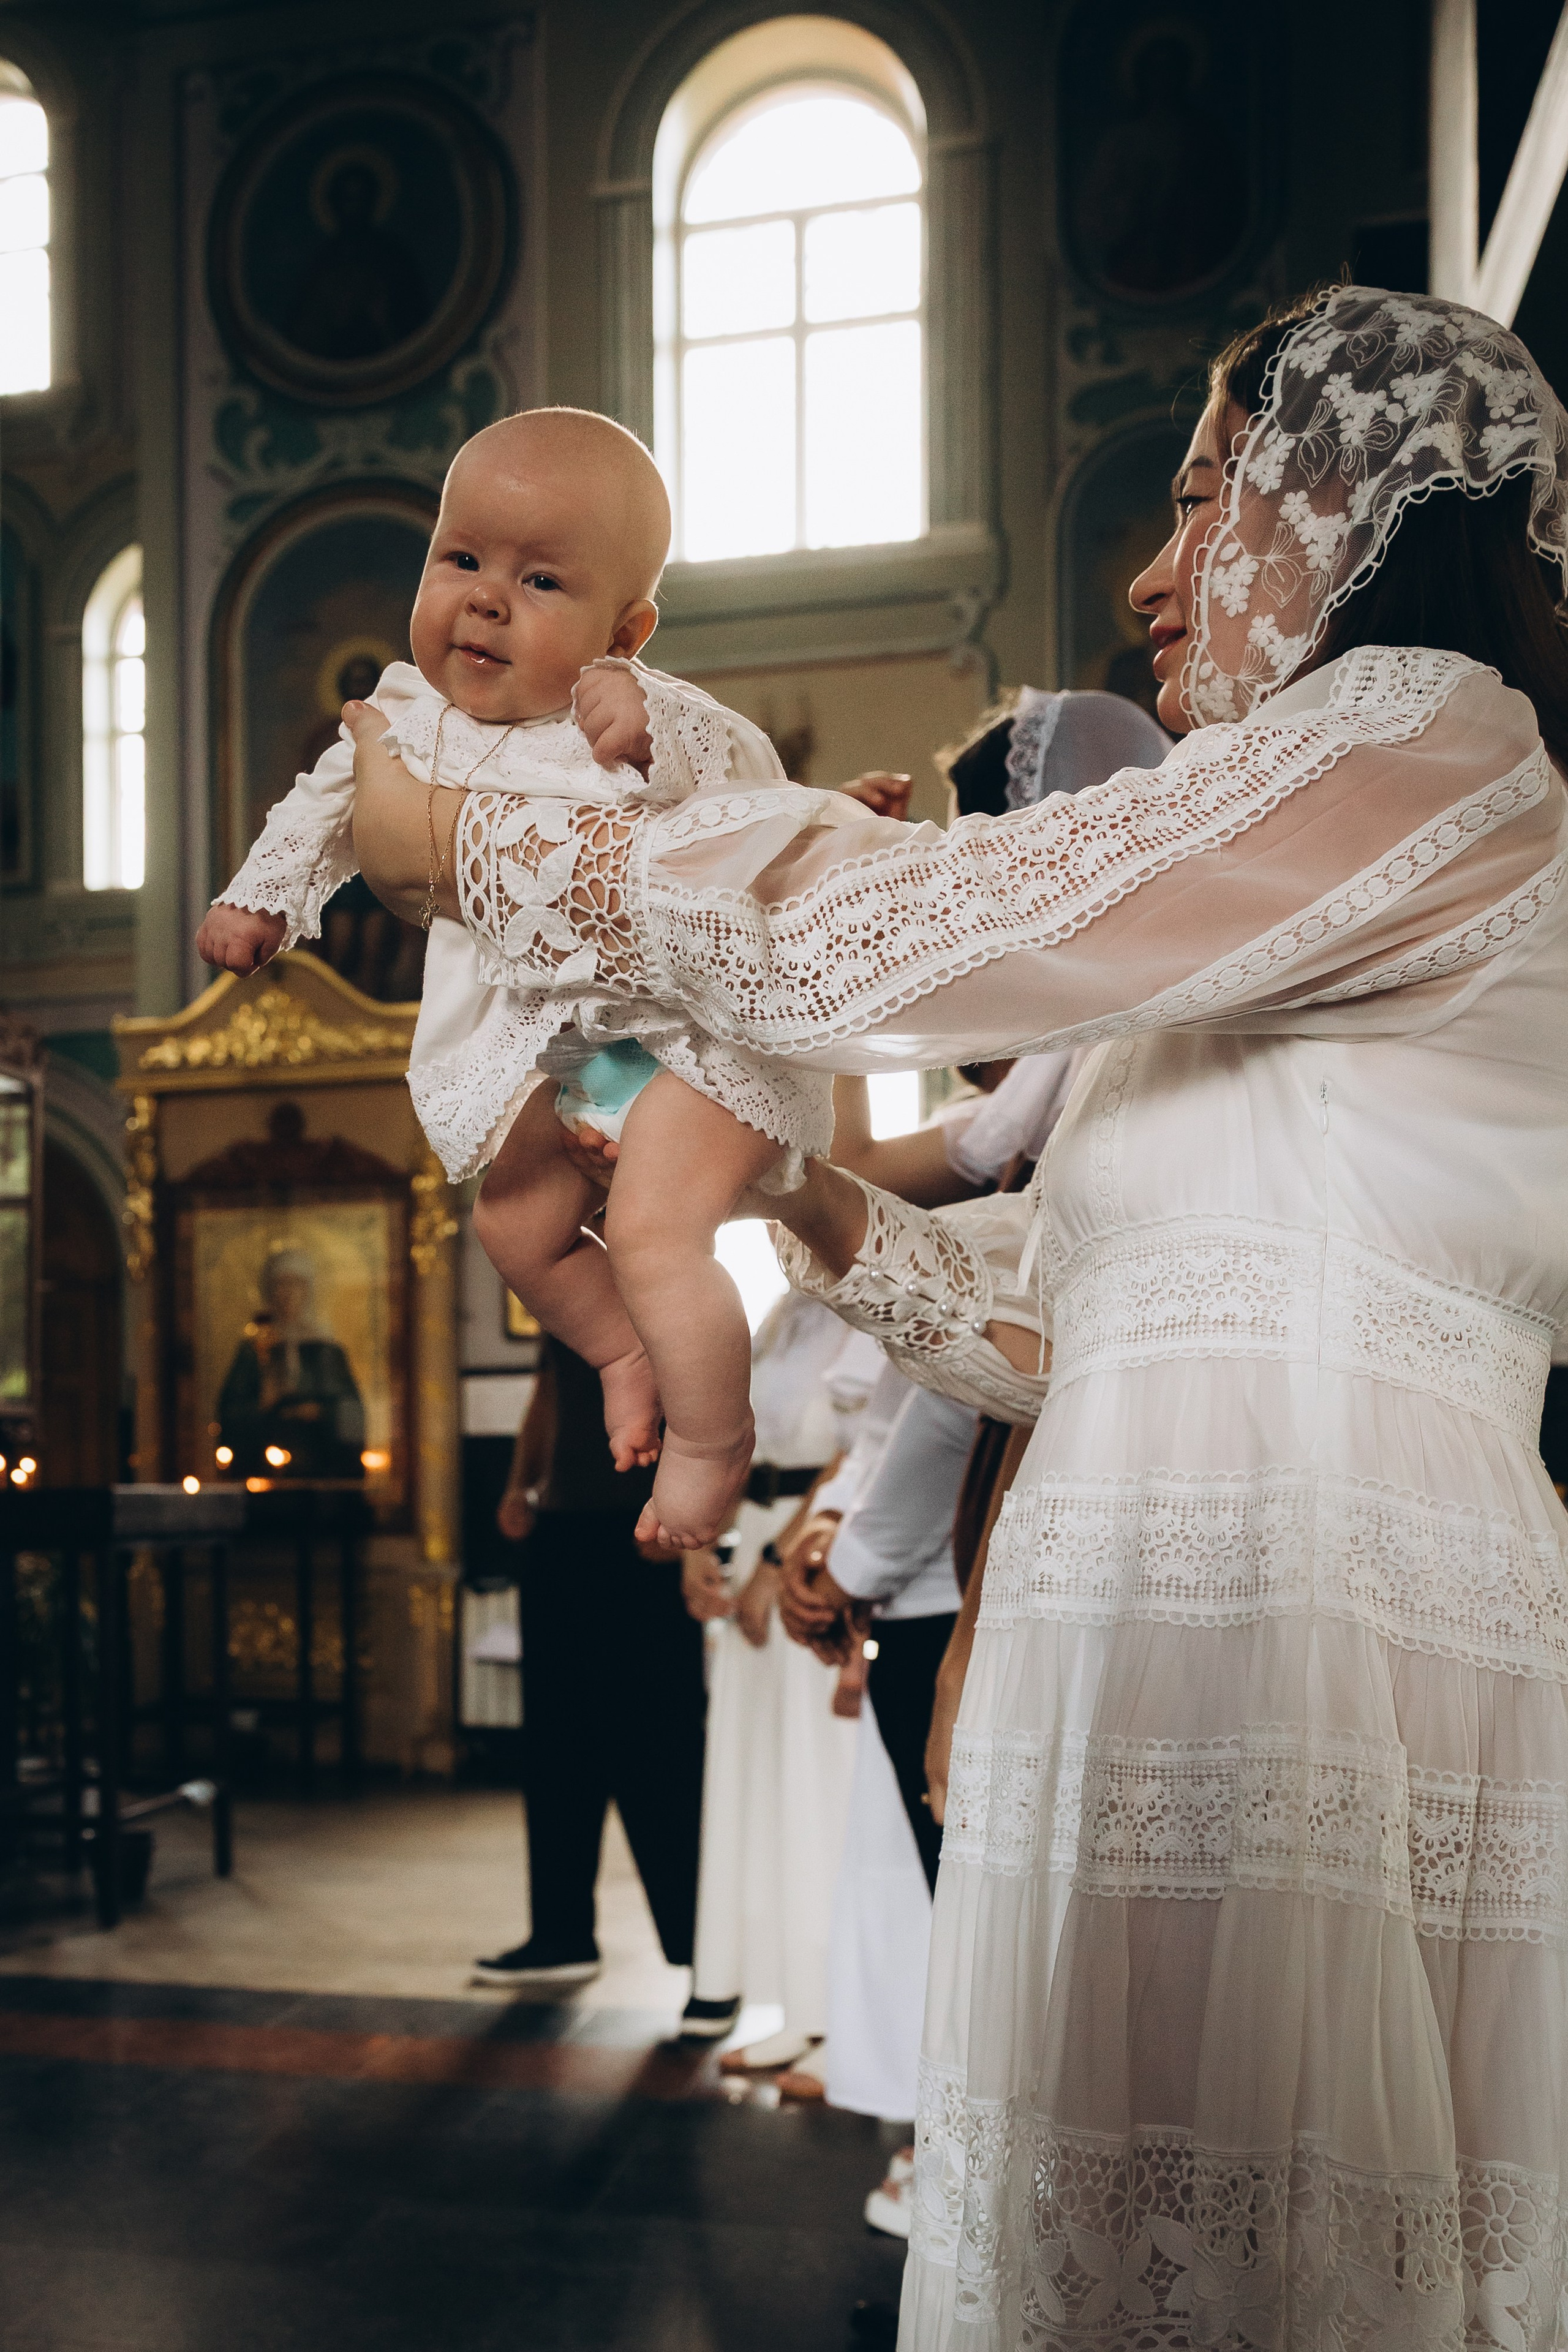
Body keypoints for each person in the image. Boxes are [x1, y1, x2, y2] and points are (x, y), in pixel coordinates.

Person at [350, 285, 1568, 2344]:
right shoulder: (1270, 911)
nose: (1148, 572)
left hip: (1309, 1583)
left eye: (1200, 504)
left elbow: (943, 918)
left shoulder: (1428, 735)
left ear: (1351, 512)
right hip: (1148, 1583)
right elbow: (1060, 1332)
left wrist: (473, 841)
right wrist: (809, 1195)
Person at [196, 404, 873, 1553]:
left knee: (658, 1233)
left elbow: (749, 782)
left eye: (542, 580)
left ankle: (714, 1445)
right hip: (540, 1048)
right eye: (460, 559)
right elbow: (323, 807)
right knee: (514, 1227)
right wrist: (260, 894)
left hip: (681, 1039)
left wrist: (656, 729)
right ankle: (618, 1350)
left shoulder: (644, 711)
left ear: (629, 626)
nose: (487, 598)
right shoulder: (403, 717)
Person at [475, 1334, 707, 1988]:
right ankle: (560, 1934)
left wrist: (686, 1518)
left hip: (644, 1534)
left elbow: (706, 1402)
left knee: (659, 1751)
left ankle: (697, 1951)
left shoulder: (662, 1273)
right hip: (563, 1533)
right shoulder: (558, 1291)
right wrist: (523, 1483)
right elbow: (549, 1392)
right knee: (555, 1744)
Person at [679, 1293, 873, 2053]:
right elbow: (728, 1436)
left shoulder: (866, 1301)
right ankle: (771, 1990)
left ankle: (828, 2009)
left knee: (814, 1770)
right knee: (755, 1769)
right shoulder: (780, 1315)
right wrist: (701, 1539)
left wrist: (772, 1561)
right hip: (752, 1524)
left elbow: (856, 1451)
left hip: (815, 1541)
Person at [216, 1245, 365, 1480]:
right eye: (280, 1284)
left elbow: (353, 1415)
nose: (288, 1293)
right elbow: (229, 1418)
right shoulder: (253, 1351)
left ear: (309, 1290)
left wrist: (321, 1412)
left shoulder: (327, 1349)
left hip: (321, 1478)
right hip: (264, 1476)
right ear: (269, 1290)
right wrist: (264, 1404)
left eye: (297, 1284)